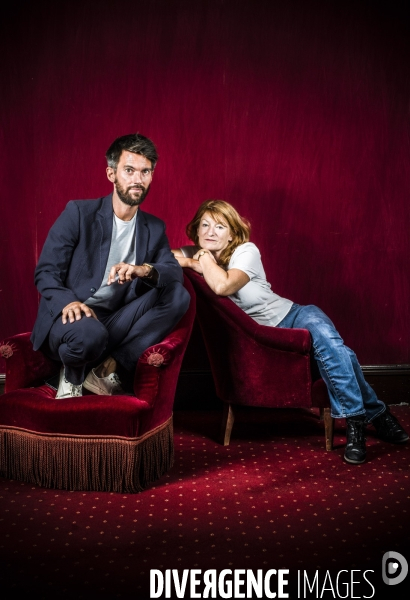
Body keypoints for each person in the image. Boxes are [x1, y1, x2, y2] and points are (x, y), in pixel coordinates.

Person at [172, 200, 408, 464]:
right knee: (344, 354)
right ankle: (379, 413)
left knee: (329, 342)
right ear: (196, 228)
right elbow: (161, 256)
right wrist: (189, 259)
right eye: (204, 224)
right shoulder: (192, 250)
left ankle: (355, 422)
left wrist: (199, 260)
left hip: (296, 315)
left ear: (231, 235)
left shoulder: (245, 251)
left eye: (219, 226)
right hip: (266, 338)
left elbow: (223, 285)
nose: (210, 232)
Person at [32, 133, 190, 399]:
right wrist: (68, 303)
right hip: (70, 317)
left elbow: (172, 271)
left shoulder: (154, 227)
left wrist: (144, 269)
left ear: (152, 176)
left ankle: (108, 369)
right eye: (129, 170)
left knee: (178, 295)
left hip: (116, 318)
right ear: (111, 174)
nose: (137, 179)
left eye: (145, 171)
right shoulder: (79, 213)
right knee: (89, 335)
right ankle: (71, 379)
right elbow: (46, 271)